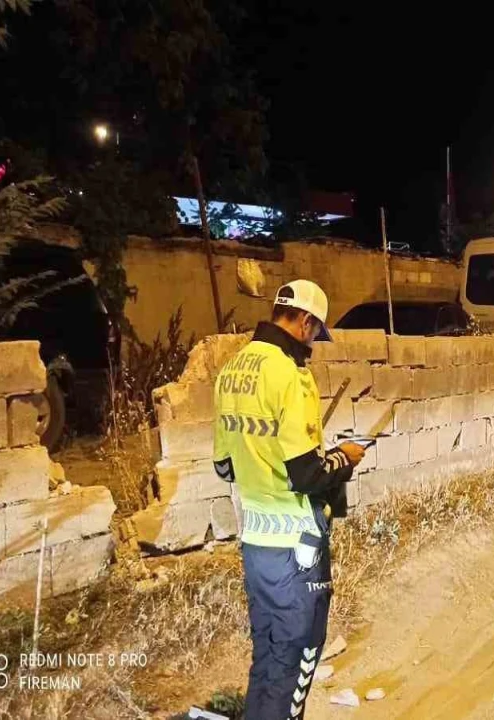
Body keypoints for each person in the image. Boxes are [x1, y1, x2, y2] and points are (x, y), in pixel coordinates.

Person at [212, 279, 366, 720]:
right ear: (304, 321)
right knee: (297, 659)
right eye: (316, 332)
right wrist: (345, 456)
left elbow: (225, 467)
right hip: (297, 546)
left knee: (267, 655)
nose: (315, 342)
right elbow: (307, 475)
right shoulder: (291, 376)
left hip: (257, 544)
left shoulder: (231, 371)